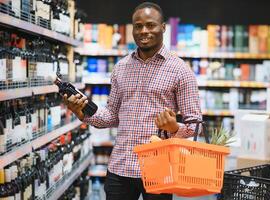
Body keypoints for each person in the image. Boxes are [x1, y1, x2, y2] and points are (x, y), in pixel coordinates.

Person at [63, 2, 202, 200]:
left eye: (151, 25)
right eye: (138, 26)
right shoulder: (121, 68)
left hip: (159, 169)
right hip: (121, 166)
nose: (144, 31)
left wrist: (173, 128)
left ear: (163, 27)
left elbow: (196, 125)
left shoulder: (181, 70)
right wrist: (82, 112)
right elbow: (111, 116)